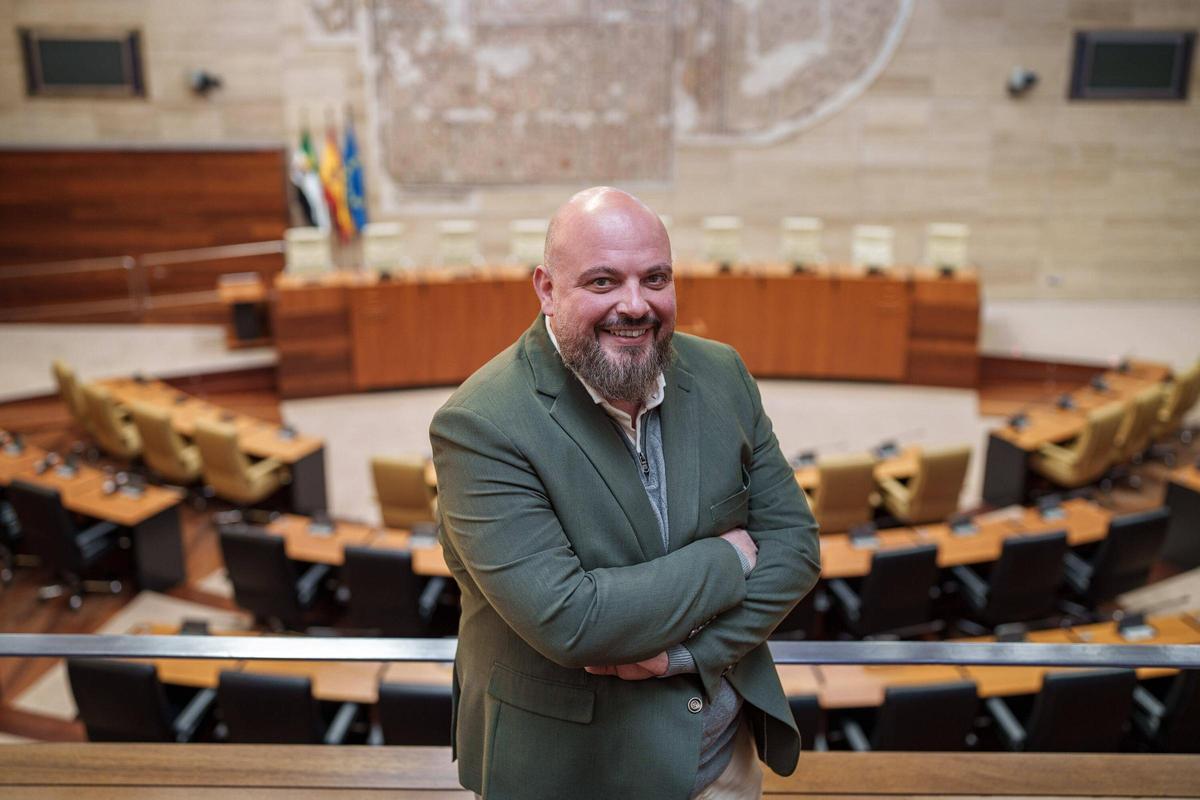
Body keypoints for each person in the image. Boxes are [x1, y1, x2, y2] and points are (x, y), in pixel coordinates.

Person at [430, 187, 820, 800]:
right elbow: (574, 621)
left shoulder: (724, 374)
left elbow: (796, 549)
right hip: (573, 775)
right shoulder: (481, 424)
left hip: (723, 763)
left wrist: (684, 657)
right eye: (603, 282)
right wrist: (730, 558)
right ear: (547, 288)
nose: (635, 305)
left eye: (655, 278)